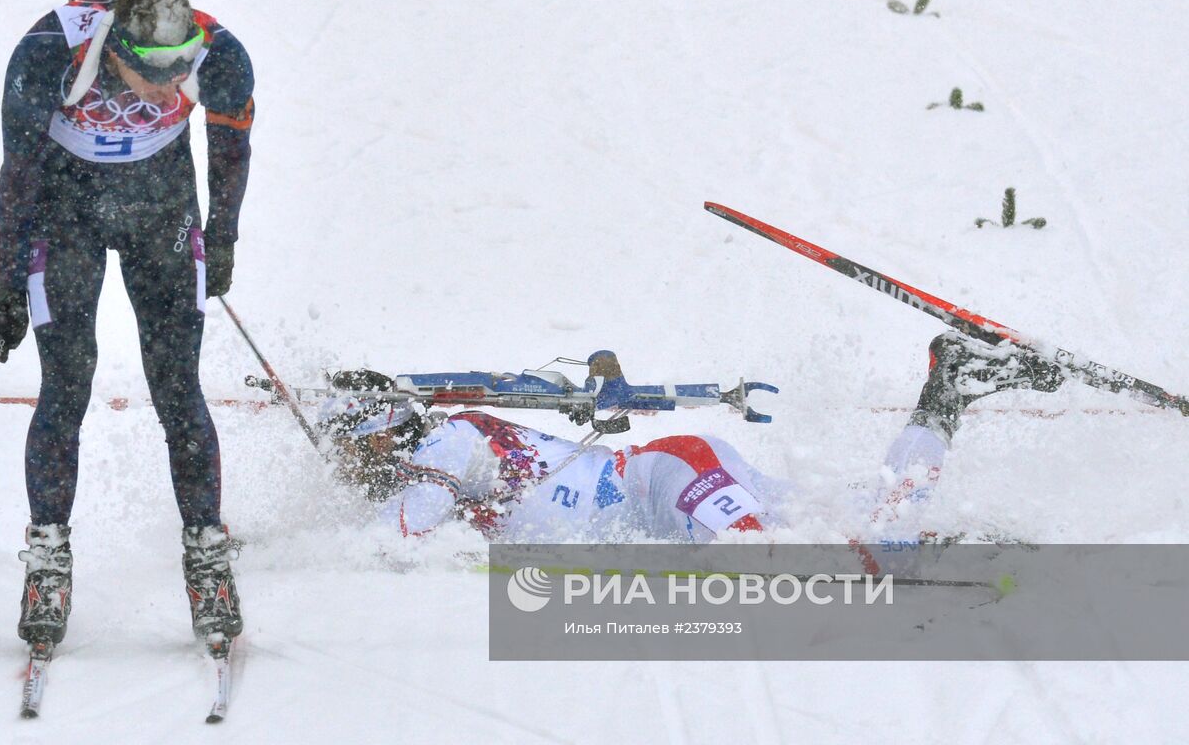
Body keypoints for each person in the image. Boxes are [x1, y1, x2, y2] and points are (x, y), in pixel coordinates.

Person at [0, 0, 254, 651]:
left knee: (176, 385)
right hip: (64, 208)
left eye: (178, 68)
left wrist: (223, 236)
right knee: (67, 382)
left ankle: (207, 554)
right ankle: (47, 558)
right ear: (114, 51)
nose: (169, 88)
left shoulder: (219, 55)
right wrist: (7, 278)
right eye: (152, 73)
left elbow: (230, 149)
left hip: (161, 210)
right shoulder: (48, 52)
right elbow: (17, 171)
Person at [318, 333, 1065, 545]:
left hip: (664, 479)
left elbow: (394, 541)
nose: (343, 466)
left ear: (380, 430)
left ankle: (920, 545)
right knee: (855, 515)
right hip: (671, 487)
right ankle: (947, 392)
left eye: (345, 446)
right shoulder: (444, 450)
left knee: (772, 572)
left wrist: (290, 550)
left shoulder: (441, 447)